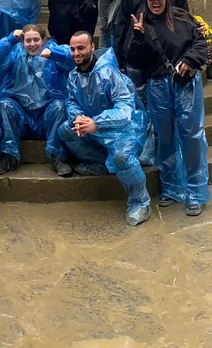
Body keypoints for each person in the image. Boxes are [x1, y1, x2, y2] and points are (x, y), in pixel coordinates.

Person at [124, 0, 210, 215]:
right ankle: (171, 187)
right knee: (165, 136)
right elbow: (133, 59)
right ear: (147, 0)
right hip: (158, 85)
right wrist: (138, 37)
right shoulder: (142, 24)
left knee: (191, 136)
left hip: (185, 84)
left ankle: (195, 191)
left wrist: (190, 60)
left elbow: (200, 44)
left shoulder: (184, 19)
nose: (156, 2)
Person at [58, 32, 152, 226]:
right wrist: (77, 117)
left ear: (92, 47)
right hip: (95, 124)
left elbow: (125, 110)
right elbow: (71, 101)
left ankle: (140, 201)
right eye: (73, 49)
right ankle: (104, 163)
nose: (76, 53)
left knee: (121, 157)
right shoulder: (74, 75)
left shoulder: (110, 73)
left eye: (81, 48)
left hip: (127, 127)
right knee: (66, 131)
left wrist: (97, 123)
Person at [0, 25, 75, 177]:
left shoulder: (53, 52)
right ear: (22, 42)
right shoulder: (15, 54)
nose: (32, 44)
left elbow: (72, 60)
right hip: (21, 117)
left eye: (36, 40)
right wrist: (9, 40)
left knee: (60, 106)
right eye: (28, 40)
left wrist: (55, 54)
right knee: (4, 105)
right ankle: (8, 156)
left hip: (46, 117)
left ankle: (57, 157)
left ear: (44, 40)